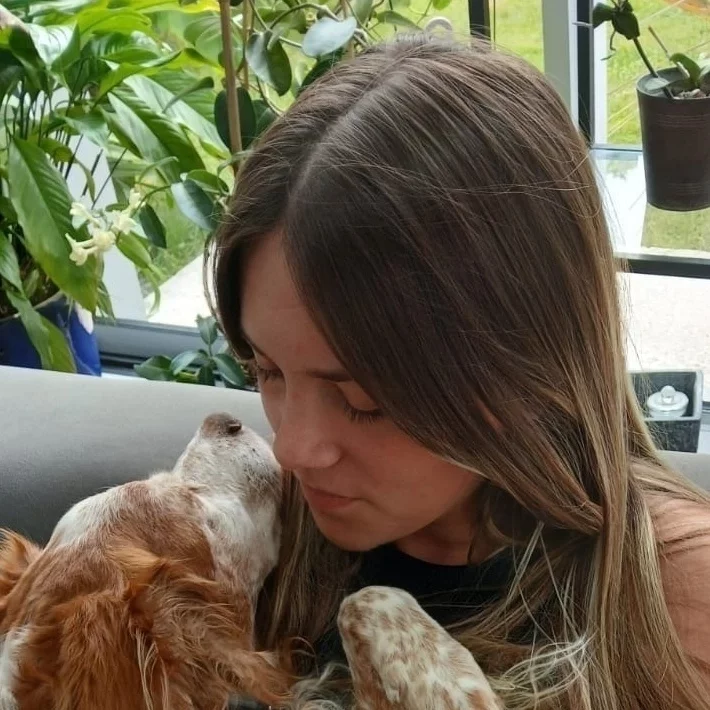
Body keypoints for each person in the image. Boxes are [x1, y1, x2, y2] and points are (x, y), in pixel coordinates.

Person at [210, 33, 710, 710]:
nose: (293, 449)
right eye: (266, 371)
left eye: (362, 398)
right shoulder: (261, 540)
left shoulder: (673, 604)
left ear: (520, 363)